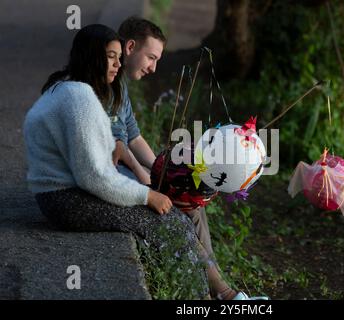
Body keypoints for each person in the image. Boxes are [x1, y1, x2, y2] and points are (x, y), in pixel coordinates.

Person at [23, 24, 209, 298]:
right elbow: (95, 177)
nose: (118, 64)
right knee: (173, 222)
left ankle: (204, 294)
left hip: (58, 194)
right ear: (91, 56)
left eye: (119, 57)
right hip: (67, 200)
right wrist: (147, 195)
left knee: (172, 219)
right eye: (111, 56)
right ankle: (200, 298)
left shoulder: (64, 86)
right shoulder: (81, 97)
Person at [111, 17, 268, 300]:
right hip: (117, 181)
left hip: (129, 176)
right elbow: (117, 148)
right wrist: (150, 179)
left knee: (193, 203)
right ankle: (218, 295)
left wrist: (164, 165)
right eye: (151, 57)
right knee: (181, 212)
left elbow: (133, 137)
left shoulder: (120, 88)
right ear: (131, 47)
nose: (153, 67)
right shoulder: (107, 87)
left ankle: (221, 293)